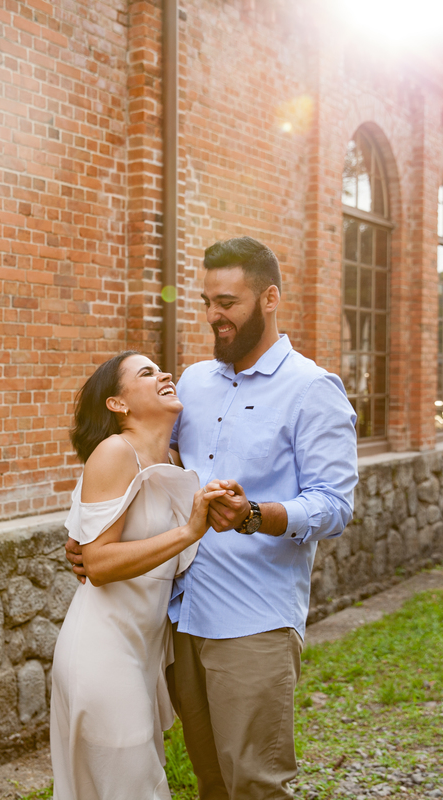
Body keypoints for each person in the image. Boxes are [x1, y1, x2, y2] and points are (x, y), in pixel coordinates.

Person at [65, 236, 359, 799]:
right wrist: (85, 534)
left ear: (269, 298)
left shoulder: (313, 390)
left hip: (253, 619)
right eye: (207, 302)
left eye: (228, 302)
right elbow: (134, 456)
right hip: (179, 617)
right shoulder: (195, 382)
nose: (214, 316)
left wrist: (255, 514)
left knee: (256, 783)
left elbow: (335, 505)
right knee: (210, 783)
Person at [50, 350, 229, 800]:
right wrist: (191, 530)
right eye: (147, 373)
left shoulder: (172, 458)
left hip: (144, 650)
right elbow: (99, 563)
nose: (165, 374)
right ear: (118, 404)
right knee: (133, 788)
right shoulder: (114, 452)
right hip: (103, 651)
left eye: (161, 369)